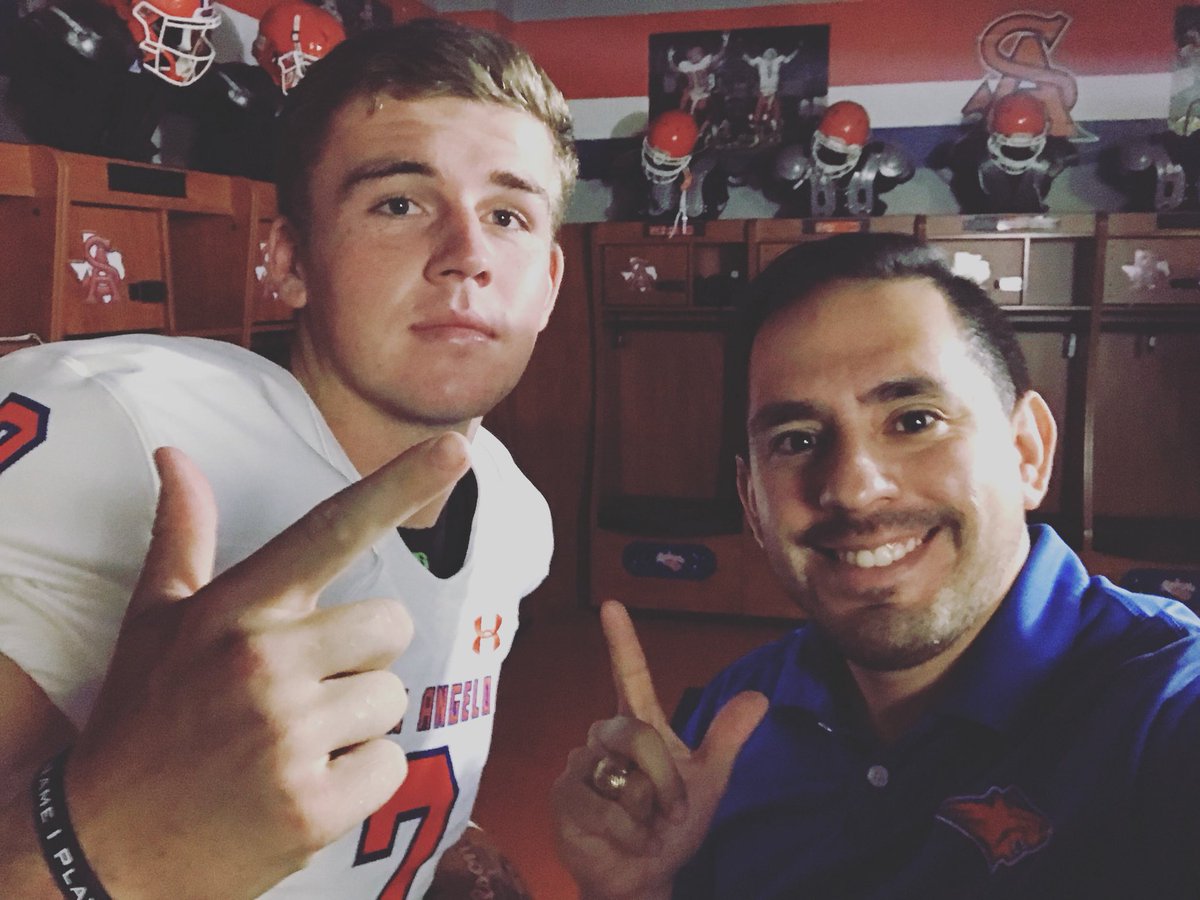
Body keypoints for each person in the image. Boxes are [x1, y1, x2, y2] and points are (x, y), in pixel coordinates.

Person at [0, 16, 576, 899]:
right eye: (399, 203)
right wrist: (93, 848)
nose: (467, 256)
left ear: (548, 285)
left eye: (508, 214)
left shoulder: (514, 515)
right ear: (290, 259)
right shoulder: (117, 430)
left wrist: (440, 847)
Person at [552, 233, 1200, 899]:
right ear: (752, 502)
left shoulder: (1165, 709)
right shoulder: (728, 725)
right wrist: (636, 891)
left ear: (1026, 452)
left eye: (915, 420)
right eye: (797, 440)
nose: (854, 488)